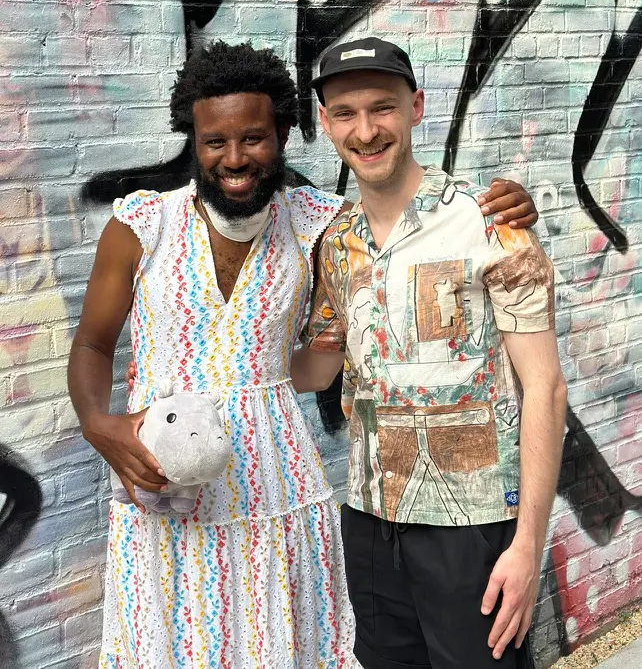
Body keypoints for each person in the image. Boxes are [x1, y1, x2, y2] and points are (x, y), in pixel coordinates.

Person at [68, 40, 539, 669]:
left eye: (255, 138)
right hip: (166, 489)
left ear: (286, 133)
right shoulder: (140, 226)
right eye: (215, 142)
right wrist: (99, 425)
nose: (234, 158)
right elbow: (93, 344)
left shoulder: (318, 224)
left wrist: (503, 206)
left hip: (280, 491)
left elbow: (396, 218)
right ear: (194, 139)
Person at [291, 37, 568, 669]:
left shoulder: (490, 223)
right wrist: (233, 355)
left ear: (416, 107)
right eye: (345, 113)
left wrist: (527, 545)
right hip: (368, 522)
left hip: (471, 527)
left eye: (382, 108)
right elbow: (323, 366)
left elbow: (545, 388)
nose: (366, 130)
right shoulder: (336, 243)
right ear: (326, 123)